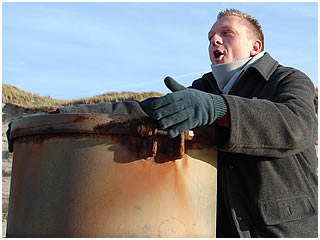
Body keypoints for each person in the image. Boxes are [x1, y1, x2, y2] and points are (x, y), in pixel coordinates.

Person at [141, 8, 318, 237]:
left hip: (286, 231)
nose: (215, 40)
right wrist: (82, 113)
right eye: (210, 38)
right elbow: (144, 108)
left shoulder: (288, 79)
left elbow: (297, 126)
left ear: (255, 47)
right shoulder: (202, 88)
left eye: (227, 33)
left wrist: (219, 109)